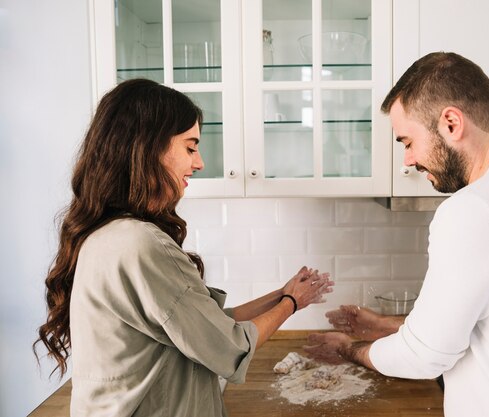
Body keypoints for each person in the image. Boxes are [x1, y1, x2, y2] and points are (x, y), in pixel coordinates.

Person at [303, 52, 489, 417]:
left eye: (407, 142)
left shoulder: (475, 208)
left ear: (451, 122)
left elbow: (423, 356)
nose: (408, 160)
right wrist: (388, 326)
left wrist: (348, 349)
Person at [33, 78, 334, 417]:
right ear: (147, 147)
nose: (199, 162)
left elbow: (208, 326)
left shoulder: (108, 235)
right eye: (190, 147)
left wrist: (282, 294)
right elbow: (230, 346)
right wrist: (293, 304)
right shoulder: (141, 244)